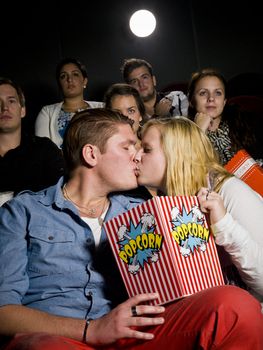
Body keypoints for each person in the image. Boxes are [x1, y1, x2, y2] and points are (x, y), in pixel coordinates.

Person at [0, 110, 263, 350]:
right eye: (128, 146)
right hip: (63, 339)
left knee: (234, 305)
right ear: (91, 154)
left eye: (142, 148)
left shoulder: (145, 210)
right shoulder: (23, 211)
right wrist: (91, 330)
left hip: (137, 336)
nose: (136, 155)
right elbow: (3, 312)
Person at [135, 116, 263, 301]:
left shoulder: (229, 191)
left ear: (176, 154)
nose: (136, 156)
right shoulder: (164, 204)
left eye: (146, 149)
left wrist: (224, 225)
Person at [0, 77, 64, 206]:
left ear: (22, 110)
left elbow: (61, 197)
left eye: (11, 101)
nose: (4, 107)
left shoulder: (45, 150)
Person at [187, 68, 263, 166]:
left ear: (224, 101)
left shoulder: (248, 122)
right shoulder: (180, 136)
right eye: (203, 93)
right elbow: (185, 174)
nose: (211, 98)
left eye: (218, 93)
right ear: (192, 101)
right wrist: (199, 132)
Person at [35, 57, 104, 148]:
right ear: (59, 84)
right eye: (63, 76)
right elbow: (42, 150)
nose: (69, 79)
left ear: (84, 81)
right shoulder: (47, 112)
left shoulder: (102, 107)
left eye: (75, 74)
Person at [120, 58, 189, 119]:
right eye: (134, 81)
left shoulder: (176, 98)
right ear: (129, 88)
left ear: (154, 80)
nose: (141, 84)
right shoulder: (130, 114)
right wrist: (157, 116)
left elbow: (186, 131)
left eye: (144, 77)